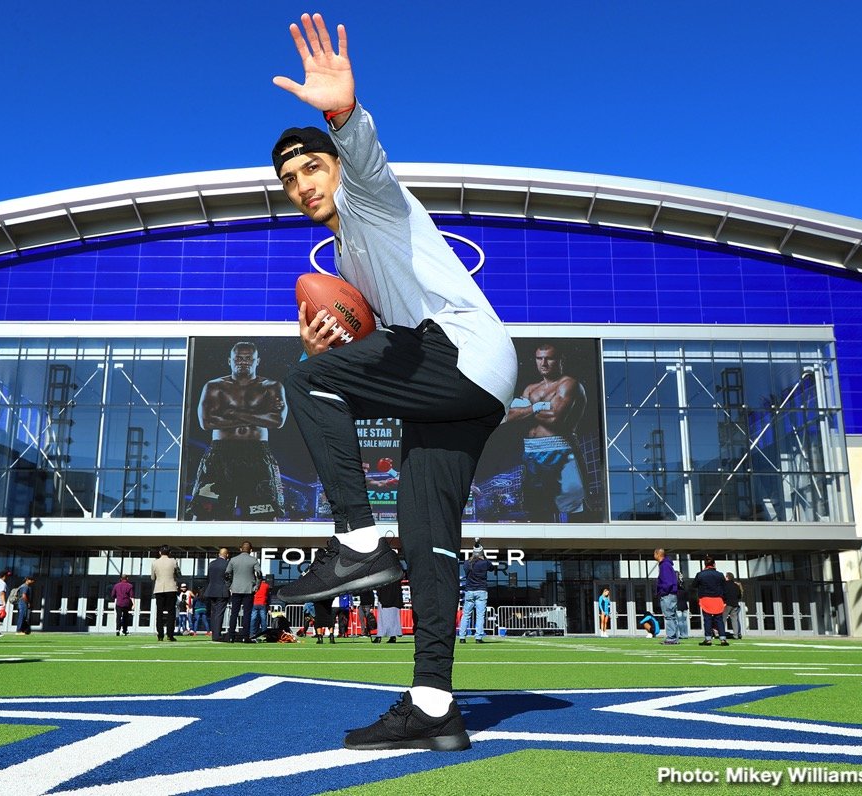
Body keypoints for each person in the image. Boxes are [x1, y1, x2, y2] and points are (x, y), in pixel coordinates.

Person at [273, 13, 516, 753]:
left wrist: (342, 112)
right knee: (432, 541)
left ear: (335, 167)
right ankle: (435, 707)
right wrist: (336, 340)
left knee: (308, 384)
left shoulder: (369, 197)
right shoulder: (347, 257)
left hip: (459, 351)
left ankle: (354, 540)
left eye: (311, 166)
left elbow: (368, 158)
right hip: (455, 376)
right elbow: (380, 343)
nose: (301, 183)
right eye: (288, 179)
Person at [188, 342, 288, 520]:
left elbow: (278, 421)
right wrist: (257, 414)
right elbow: (206, 422)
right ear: (230, 360)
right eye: (239, 358)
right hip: (221, 453)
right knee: (204, 512)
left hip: (257, 453)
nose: (243, 362)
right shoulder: (214, 386)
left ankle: (259, 548)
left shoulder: (271, 386)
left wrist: (232, 412)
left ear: (257, 361)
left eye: (248, 358)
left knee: (264, 513)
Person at [504, 343, 589, 522]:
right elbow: (509, 415)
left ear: (560, 360)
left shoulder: (568, 384)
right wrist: (538, 406)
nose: (543, 363)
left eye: (549, 358)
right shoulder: (530, 388)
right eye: (539, 358)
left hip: (560, 450)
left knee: (571, 510)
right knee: (536, 509)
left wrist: (526, 410)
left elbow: (554, 419)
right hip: (531, 453)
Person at [457, 545, 505, 644]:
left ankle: (462, 637)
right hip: (481, 591)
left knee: (466, 615)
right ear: (481, 553)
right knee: (480, 615)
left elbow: (467, 569)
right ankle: (478, 637)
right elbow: (491, 568)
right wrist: (484, 557)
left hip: (469, 591)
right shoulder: (485, 562)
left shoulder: (467, 563)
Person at [225, 541, 261, 643]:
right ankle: (246, 636)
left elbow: (227, 575)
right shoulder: (253, 560)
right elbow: (259, 574)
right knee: (247, 614)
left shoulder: (233, 560)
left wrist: (230, 586)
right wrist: (257, 586)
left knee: (234, 613)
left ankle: (231, 635)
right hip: (248, 589)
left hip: (236, 589)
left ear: (240, 549)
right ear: (251, 550)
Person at [693, 557, 728, 646]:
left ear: (705, 564)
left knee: (707, 619)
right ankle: (723, 639)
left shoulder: (700, 574)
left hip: (706, 599)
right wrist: (725, 599)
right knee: (719, 619)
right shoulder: (720, 575)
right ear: (714, 564)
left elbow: (694, 585)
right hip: (717, 599)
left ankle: (708, 639)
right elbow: (725, 587)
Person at [151, 546, 180, 641]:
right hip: (171, 588)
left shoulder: (155, 562)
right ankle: (170, 635)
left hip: (159, 589)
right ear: (169, 552)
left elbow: (152, 577)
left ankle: (160, 635)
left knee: (159, 612)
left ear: (160, 552)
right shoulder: (173, 561)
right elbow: (178, 574)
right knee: (171, 612)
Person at [203, 547, 230, 642]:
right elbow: (228, 578)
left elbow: (208, 579)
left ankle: (214, 633)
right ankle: (217, 635)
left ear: (219, 554)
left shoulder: (211, 564)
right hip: (222, 591)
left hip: (211, 591)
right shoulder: (227, 564)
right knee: (219, 613)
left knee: (213, 613)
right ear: (227, 555)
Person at [653, 548, 680, 645]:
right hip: (670, 594)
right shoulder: (667, 565)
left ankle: (671, 637)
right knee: (671, 616)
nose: (654, 556)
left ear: (658, 554)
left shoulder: (664, 566)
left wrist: (662, 592)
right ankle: (674, 637)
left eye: (654, 554)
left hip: (668, 595)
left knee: (669, 616)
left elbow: (667, 582)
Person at [376, 577, 404, 644]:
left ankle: (380, 636)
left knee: (382, 619)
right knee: (394, 619)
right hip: (395, 599)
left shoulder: (384, 575)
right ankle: (392, 636)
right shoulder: (397, 574)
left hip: (385, 598)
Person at [724, 572, 744, 640]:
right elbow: (739, 595)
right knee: (734, 620)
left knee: (723, 619)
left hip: (727, 604)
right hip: (735, 604)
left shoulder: (725, 585)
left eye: (725, 576)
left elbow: (723, 594)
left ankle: (721, 634)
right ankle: (736, 635)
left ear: (727, 577)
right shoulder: (736, 586)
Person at [249, 575, 270, 640]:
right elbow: (267, 595)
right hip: (263, 603)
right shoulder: (266, 585)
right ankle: (264, 633)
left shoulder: (254, 585)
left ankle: (252, 633)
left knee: (253, 619)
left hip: (255, 603)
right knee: (263, 619)